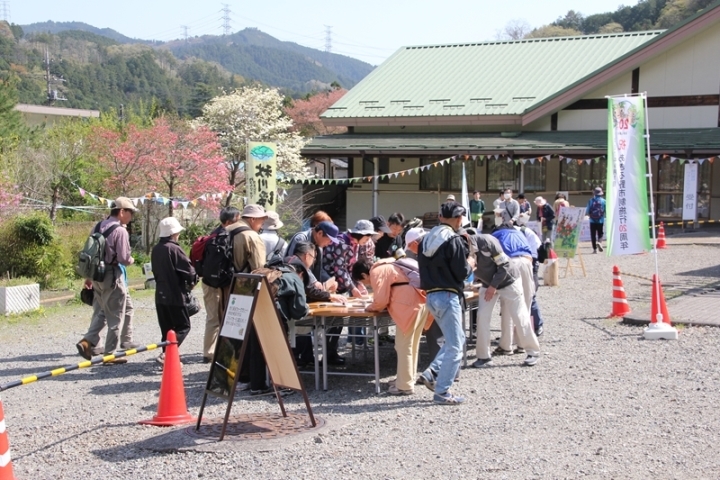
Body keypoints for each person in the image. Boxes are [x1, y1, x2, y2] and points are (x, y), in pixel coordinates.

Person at [417, 201, 473, 405]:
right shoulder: (455, 240)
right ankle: (442, 391)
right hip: (448, 296)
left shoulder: (424, 240)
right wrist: (470, 265)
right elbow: (461, 272)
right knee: (457, 346)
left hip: (431, 296)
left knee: (454, 340)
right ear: (459, 219)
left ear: (440, 217)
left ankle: (432, 372)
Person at [352, 257, 428, 395]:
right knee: (412, 345)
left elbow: (380, 300)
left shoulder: (377, 271)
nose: (367, 285)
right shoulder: (389, 265)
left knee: (403, 346)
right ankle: (405, 379)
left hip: (408, 307)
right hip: (420, 303)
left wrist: (370, 307)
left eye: (364, 282)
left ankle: (404, 386)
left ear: (364, 275)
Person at [472, 218, 541, 369]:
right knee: (482, 316)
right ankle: (483, 356)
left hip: (508, 280)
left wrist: (493, 286)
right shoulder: (459, 248)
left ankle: (532, 351)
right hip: (487, 283)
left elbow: (504, 265)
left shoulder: (489, 241)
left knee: (519, 314)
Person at [75, 197, 137, 364]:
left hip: (96, 275)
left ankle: (87, 341)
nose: (131, 216)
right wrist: (132, 260)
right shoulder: (120, 231)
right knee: (116, 315)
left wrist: (88, 277)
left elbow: (90, 253)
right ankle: (110, 355)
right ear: (122, 211)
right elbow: (124, 258)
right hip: (111, 275)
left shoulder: (98, 226)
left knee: (103, 311)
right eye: (130, 212)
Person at [227, 204, 270, 394]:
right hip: (245, 290)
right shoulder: (252, 236)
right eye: (261, 220)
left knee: (232, 334)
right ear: (252, 219)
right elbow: (260, 270)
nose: (262, 225)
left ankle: (229, 376)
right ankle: (252, 380)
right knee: (252, 337)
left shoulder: (225, 230)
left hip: (224, 288)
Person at [490, 209, 542, 356]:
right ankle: (522, 345)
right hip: (527, 262)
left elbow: (494, 258)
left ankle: (506, 345)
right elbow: (533, 253)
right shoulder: (520, 232)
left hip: (510, 263)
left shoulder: (495, 235)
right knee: (525, 304)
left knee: (508, 304)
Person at [151, 217, 197, 364]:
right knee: (183, 326)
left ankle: (167, 356)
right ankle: (166, 355)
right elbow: (189, 272)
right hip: (175, 294)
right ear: (174, 233)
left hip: (160, 294)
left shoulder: (156, 249)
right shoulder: (174, 249)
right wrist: (193, 282)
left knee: (167, 328)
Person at [201, 206, 240, 364]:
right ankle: (217, 352)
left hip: (208, 282)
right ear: (229, 222)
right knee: (223, 318)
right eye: (238, 220)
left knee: (212, 318)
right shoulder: (229, 236)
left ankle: (209, 352)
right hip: (223, 283)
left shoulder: (212, 235)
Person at [517, 213, 545, 336]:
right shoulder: (511, 232)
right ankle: (518, 329)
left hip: (530, 264)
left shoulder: (526, 232)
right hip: (516, 265)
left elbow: (536, 251)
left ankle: (538, 325)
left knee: (530, 295)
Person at [586, 187, 606, 253]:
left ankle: (594, 249)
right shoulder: (603, 201)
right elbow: (606, 210)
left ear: (594, 193)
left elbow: (587, 210)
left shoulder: (591, 200)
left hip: (592, 220)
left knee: (593, 234)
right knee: (600, 233)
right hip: (600, 220)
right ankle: (599, 242)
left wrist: (590, 214)